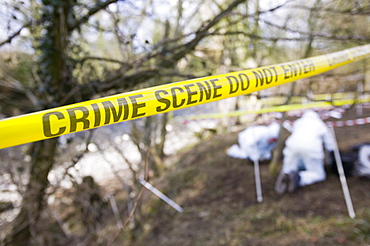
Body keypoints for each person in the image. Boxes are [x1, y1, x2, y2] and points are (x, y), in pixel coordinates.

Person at [275, 110, 335, 195]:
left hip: (292, 145)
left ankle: (286, 176)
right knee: (318, 174)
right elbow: (330, 144)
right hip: (311, 147)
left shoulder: (298, 122)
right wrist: (331, 155)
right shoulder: (320, 124)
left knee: (289, 166)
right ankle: (300, 178)